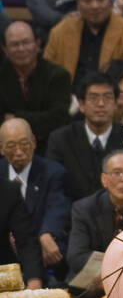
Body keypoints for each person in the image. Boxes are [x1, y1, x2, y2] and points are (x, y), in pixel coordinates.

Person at [67, 149, 123, 285]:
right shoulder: (84, 209)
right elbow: (76, 257)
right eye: (117, 173)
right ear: (104, 179)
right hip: (93, 285)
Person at [44, 71, 123, 203]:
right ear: (81, 104)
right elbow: (55, 187)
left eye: (107, 97)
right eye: (93, 98)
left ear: (116, 104)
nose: (101, 103)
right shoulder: (60, 138)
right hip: (72, 214)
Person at [0, 118, 70, 280]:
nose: (18, 152)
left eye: (24, 144)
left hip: (41, 255)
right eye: (11, 146)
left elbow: (57, 207)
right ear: (1, 148)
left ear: (33, 142)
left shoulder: (53, 172)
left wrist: (47, 233)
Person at [0, 22, 73, 144]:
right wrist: (38, 118)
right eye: (14, 44)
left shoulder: (58, 75)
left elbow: (58, 119)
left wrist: (16, 118)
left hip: (49, 146)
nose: (21, 48)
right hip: (7, 148)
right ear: (5, 49)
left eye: (26, 42)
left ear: (37, 44)